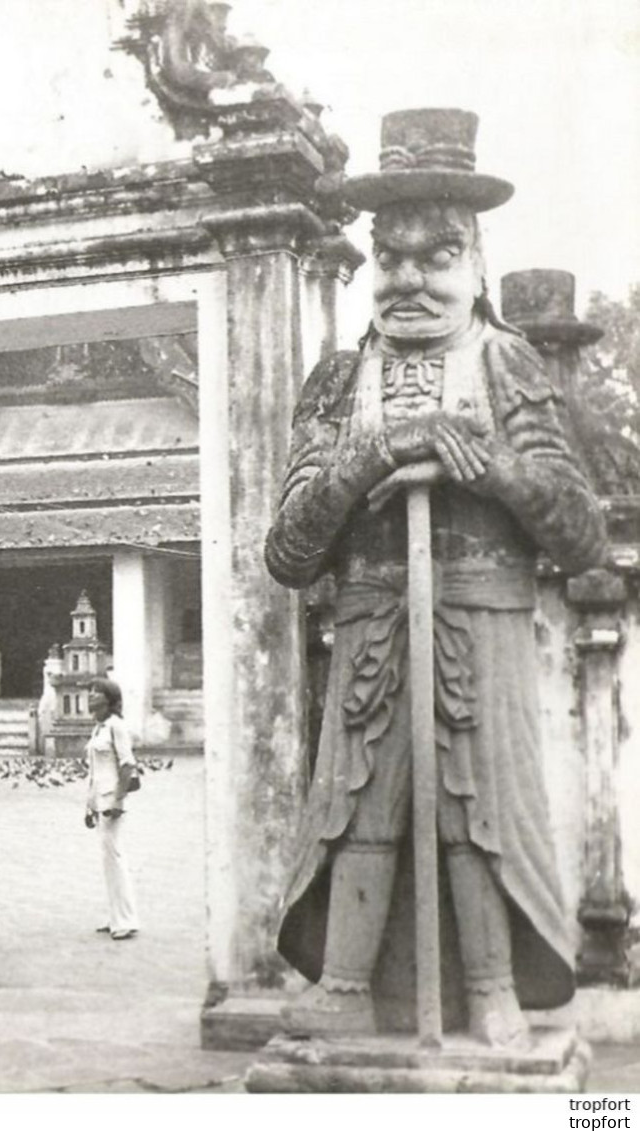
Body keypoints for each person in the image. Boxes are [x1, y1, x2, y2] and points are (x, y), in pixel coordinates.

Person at [265, 109, 607, 1045]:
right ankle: (345, 982)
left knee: (476, 804)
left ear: (476, 263)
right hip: (371, 624)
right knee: (358, 804)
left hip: (480, 622)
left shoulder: (505, 363)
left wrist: (490, 465)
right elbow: (289, 553)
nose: (409, 277)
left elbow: (578, 535)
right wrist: (369, 455)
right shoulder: (338, 382)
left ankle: (492, 984)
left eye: (436, 253)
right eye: (391, 256)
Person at [84, 677, 140, 940]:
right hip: (99, 801)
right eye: (90, 692)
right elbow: (95, 771)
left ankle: (126, 920)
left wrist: (118, 801)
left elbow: (127, 765)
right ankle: (116, 916)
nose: (91, 696)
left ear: (109, 699)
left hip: (111, 802)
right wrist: (89, 805)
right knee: (108, 862)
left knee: (115, 859)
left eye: (97, 693)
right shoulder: (99, 728)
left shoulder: (117, 726)